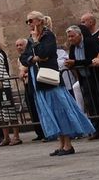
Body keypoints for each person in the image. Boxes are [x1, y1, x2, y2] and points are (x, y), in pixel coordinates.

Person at [23, 12, 94, 156]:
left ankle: (68, 144)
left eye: (30, 20)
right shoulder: (31, 38)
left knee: (60, 110)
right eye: (27, 21)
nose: (29, 23)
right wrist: (34, 58)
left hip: (50, 79)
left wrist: (36, 45)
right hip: (38, 80)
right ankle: (61, 143)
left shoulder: (48, 36)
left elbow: (45, 53)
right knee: (51, 112)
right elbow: (24, 57)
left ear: (39, 21)